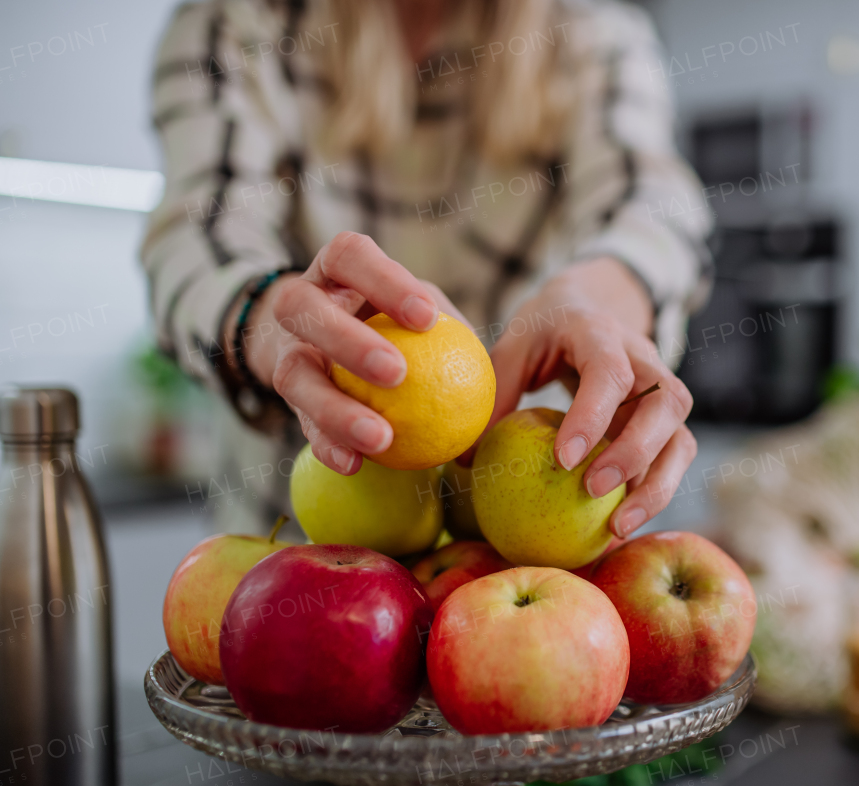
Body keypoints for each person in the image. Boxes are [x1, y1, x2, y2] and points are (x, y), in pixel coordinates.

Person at [141, 0, 711, 538]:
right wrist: (268, 313)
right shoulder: (238, 23)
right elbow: (200, 230)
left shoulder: (592, 34)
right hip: (298, 545)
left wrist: (593, 297)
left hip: (528, 538)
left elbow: (653, 204)